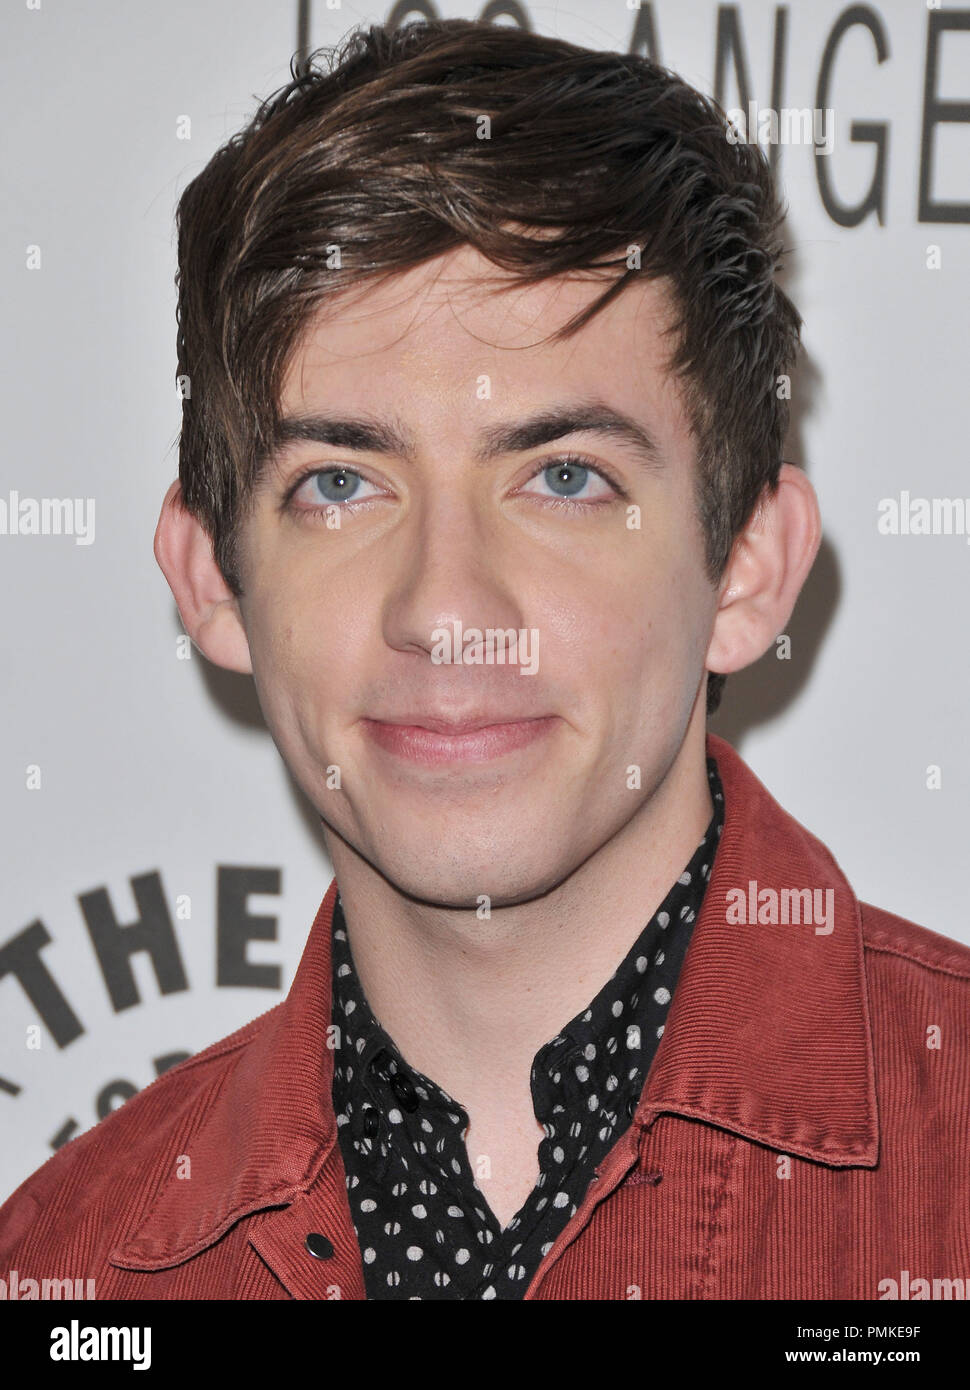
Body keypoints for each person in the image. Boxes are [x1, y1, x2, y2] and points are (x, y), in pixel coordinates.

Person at [2, 17, 967, 1303]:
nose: (446, 608)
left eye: (564, 477)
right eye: (340, 483)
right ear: (213, 581)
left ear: (747, 569)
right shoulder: (72, 1275)